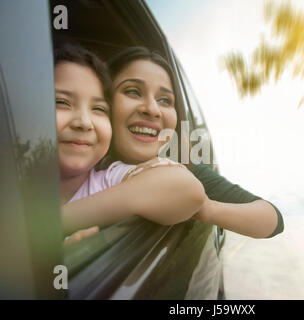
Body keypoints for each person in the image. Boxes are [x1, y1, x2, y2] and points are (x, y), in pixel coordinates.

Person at [107, 47, 284, 239]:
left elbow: (272, 220)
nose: (152, 109)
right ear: (103, 102)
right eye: (133, 91)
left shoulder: (181, 170)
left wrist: (205, 207)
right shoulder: (78, 168)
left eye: (165, 100)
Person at [54, 44, 206, 240]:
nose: (84, 122)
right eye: (61, 102)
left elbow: (186, 188)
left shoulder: (109, 178)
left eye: (99, 109)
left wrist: (50, 228)